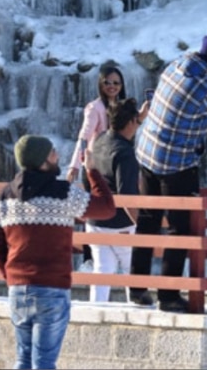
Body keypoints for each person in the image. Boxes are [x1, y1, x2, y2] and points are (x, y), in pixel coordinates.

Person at [129, 27, 207, 312]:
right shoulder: (206, 86)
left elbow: (195, 101)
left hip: (147, 153)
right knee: (179, 229)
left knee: (147, 220)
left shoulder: (178, 63)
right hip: (176, 162)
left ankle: (136, 289)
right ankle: (169, 296)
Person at [0, 135, 115, 369]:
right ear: (43, 161)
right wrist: (93, 171)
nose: (57, 155)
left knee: (23, 360)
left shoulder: (4, 195)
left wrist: (12, 278)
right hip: (52, 289)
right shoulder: (63, 192)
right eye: (52, 152)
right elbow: (107, 208)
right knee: (44, 363)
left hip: (18, 290)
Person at [85, 98, 142, 302]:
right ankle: (137, 313)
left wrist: (139, 116)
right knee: (131, 271)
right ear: (130, 123)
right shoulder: (125, 153)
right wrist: (139, 224)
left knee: (102, 271)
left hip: (95, 220)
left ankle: (96, 315)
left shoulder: (99, 139)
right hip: (120, 223)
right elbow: (127, 196)